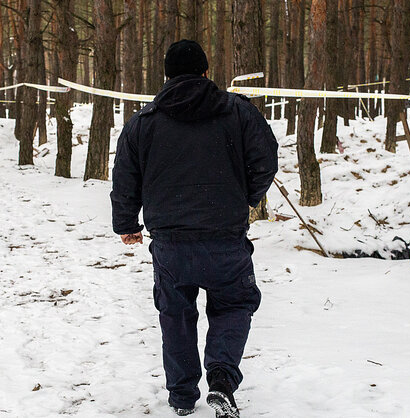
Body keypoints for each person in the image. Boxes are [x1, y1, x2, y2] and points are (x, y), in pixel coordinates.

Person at [111, 40, 278, 418]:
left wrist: (126, 223)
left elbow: (125, 176)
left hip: (169, 242)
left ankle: (183, 397)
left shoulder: (144, 121)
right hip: (224, 236)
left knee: (175, 315)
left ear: (166, 76)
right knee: (235, 304)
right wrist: (247, 198)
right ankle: (220, 378)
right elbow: (265, 161)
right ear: (206, 72)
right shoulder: (238, 112)